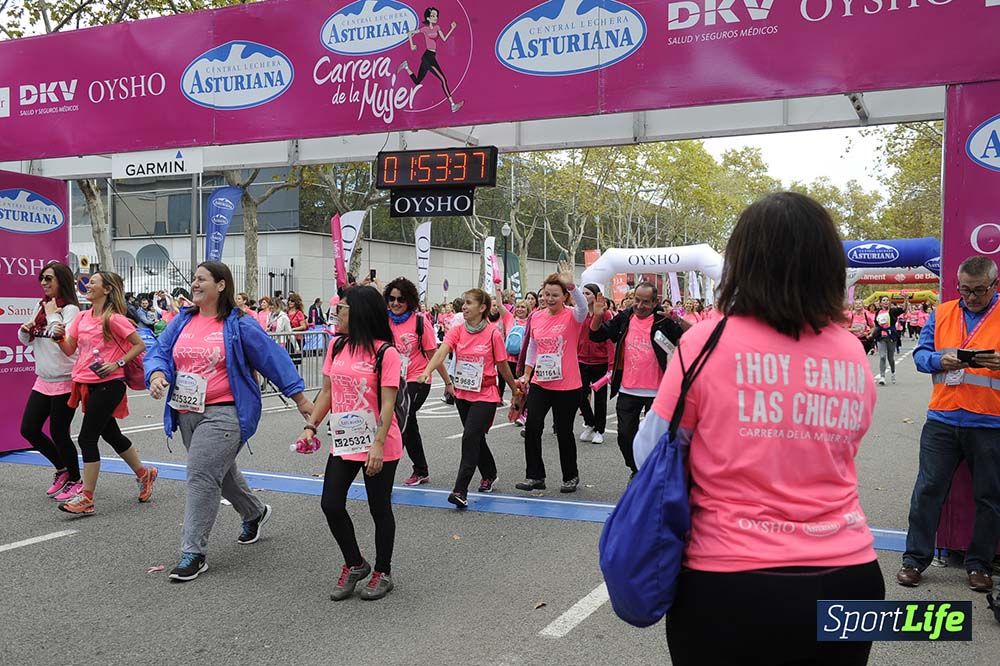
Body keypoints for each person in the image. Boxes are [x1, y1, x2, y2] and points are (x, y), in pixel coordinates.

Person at [633, 192, 883, 665]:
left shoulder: (706, 343)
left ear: (743, 264)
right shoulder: (851, 351)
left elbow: (651, 452)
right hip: (849, 572)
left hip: (728, 578)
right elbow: (846, 443)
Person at [146, 261, 314, 582]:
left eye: (200, 279)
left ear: (221, 285)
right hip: (186, 412)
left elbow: (273, 360)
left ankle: (193, 552)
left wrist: (301, 399)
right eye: (194, 279)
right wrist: (156, 373)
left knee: (200, 475)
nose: (194, 284)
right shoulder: (183, 321)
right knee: (220, 475)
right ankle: (254, 512)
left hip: (225, 413)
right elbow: (160, 352)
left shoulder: (240, 325)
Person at [898, 256, 1000, 594]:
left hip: (989, 422)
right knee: (928, 491)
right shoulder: (941, 313)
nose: (971, 297)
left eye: (979, 291)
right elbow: (920, 356)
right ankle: (914, 559)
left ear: (994, 285)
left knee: (989, 498)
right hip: (942, 418)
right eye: (965, 290)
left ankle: (979, 565)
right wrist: (939, 359)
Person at [302, 287, 403, 602]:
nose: (336, 314)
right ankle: (355, 563)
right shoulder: (336, 346)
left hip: (379, 442)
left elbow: (387, 405)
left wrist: (377, 444)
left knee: (378, 508)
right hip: (346, 442)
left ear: (358, 312)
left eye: (342, 309)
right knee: (331, 503)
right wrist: (310, 426)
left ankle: (383, 571)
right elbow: (328, 393)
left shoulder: (386, 353)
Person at [54, 272, 157, 516]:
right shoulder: (81, 317)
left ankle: (86, 498)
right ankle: (145, 474)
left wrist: (117, 364)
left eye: (93, 283)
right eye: (88, 283)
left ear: (108, 290)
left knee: (87, 438)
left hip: (110, 384)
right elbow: (70, 349)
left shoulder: (115, 319)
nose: (87, 285)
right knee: (111, 434)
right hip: (86, 383)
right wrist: (59, 338)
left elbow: (139, 345)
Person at [419, 289, 521, 507]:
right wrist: (428, 370)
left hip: (486, 393)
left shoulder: (493, 334)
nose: (464, 307)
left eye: (468, 303)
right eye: (463, 303)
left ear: (482, 308)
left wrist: (514, 390)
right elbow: (441, 352)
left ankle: (460, 490)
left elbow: (502, 365)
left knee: (469, 437)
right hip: (463, 393)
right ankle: (490, 473)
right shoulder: (457, 330)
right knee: (475, 437)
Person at [590, 281, 685, 476]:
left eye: (646, 302)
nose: (640, 306)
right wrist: (598, 315)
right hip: (628, 389)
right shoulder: (625, 317)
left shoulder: (663, 320)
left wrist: (677, 319)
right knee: (625, 436)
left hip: (658, 391)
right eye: (637, 300)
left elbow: (693, 337)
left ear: (654, 302)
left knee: (658, 438)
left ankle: (654, 472)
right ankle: (637, 469)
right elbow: (597, 336)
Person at [515, 265, 588, 494]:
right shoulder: (536, 317)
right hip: (541, 382)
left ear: (564, 296)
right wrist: (527, 373)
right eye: (546, 294)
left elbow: (584, 307)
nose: (549, 299)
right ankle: (535, 476)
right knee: (533, 426)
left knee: (564, 432)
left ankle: (570, 476)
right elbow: (533, 348)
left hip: (568, 385)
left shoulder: (573, 315)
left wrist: (572, 285)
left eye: (555, 295)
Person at [19, 262, 83, 501]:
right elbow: (30, 339)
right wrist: (26, 330)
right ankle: (62, 470)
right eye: (42, 279)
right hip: (43, 379)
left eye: (48, 279)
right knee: (29, 429)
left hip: (65, 380)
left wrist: (51, 313)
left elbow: (58, 334)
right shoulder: (42, 306)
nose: (44, 283)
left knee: (59, 433)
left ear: (62, 281)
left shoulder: (71, 311)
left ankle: (76, 480)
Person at [383, 277, 449, 487]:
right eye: (392, 298)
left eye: (400, 299)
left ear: (409, 300)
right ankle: (419, 469)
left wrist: (448, 383)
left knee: (405, 418)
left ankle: (401, 469)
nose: (395, 303)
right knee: (403, 423)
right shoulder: (385, 320)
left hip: (418, 378)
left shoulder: (420, 322)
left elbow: (434, 354)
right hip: (394, 378)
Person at [398, 7, 464, 113]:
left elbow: (444, 39)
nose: (435, 17)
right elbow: (410, 33)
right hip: (428, 57)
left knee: (417, 81)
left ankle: (406, 66)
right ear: (428, 18)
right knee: (443, 79)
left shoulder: (437, 27)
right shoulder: (424, 29)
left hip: (430, 56)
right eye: (433, 16)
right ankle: (452, 105)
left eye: (436, 15)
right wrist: (412, 45)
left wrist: (452, 28)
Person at [577, 284, 615, 445]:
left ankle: (599, 430)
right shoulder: (580, 313)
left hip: (601, 361)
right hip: (581, 359)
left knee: (600, 399)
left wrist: (611, 365)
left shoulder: (605, 314)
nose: (584, 296)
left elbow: (610, 340)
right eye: (583, 293)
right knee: (578, 394)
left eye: (587, 293)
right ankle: (590, 423)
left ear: (595, 296)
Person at [870, 311, 896, 385]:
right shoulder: (878, 312)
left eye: (887, 300)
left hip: (891, 336)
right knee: (882, 356)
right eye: (883, 300)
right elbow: (876, 325)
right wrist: (872, 334)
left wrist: (906, 301)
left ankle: (893, 372)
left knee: (890, 358)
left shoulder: (892, 311)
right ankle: (882, 377)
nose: (885, 302)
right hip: (881, 338)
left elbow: (903, 310)